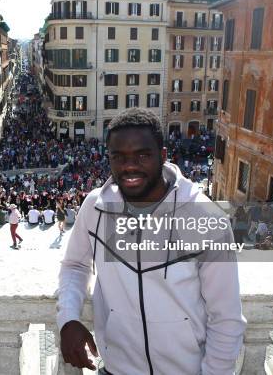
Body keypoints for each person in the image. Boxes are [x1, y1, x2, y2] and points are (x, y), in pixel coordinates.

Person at [57, 108, 246, 374]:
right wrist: (68, 319)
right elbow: (75, 265)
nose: (129, 166)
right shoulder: (94, 207)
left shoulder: (206, 218)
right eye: (118, 157)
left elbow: (226, 318)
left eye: (142, 155)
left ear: (163, 156)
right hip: (115, 370)